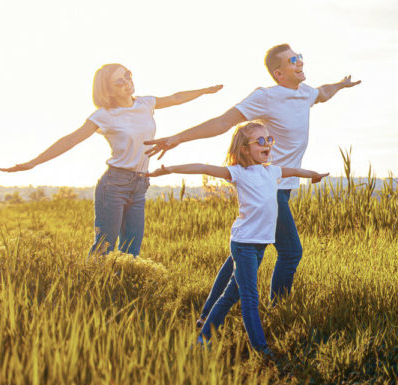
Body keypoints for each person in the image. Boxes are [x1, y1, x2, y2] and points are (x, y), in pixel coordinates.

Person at [145, 43, 359, 319]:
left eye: (300, 57)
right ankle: (278, 313)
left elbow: (323, 93)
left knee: (243, 252)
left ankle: (206, 315)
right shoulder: (266, 97)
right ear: (279, 73)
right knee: (291, 252)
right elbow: (222, 123)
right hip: (268, 187)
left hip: (282, 185)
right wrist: (177, 138)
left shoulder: (305, 93)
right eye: (293, 60)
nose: (300, 62)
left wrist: (341, 84)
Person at [1, 64, 222, 256]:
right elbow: (72, 139)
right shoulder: (103, 115)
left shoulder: (145, 103)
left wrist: (204, 91)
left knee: (131, 250)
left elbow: (176, 98)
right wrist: (34, 162)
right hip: (114, 185)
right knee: (104, 247)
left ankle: (121, 294)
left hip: (140, 184)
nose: (127, 82)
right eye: (119, 81)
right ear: (108, 90)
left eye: (128, 74)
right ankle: (92, 295)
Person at [148, 122, 328, 356]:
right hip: (243, 245)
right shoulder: (238, 172)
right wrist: (170, 169)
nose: (267, 144)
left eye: (269, 139)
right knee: (250, 297)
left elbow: (293, 171)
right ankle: (262, 350)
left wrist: (312, 175)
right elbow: (203, 167)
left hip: (260, 245)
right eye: (260, 141)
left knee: (231, 294)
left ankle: (203, 339)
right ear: (244, 149)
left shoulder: (271, 170)